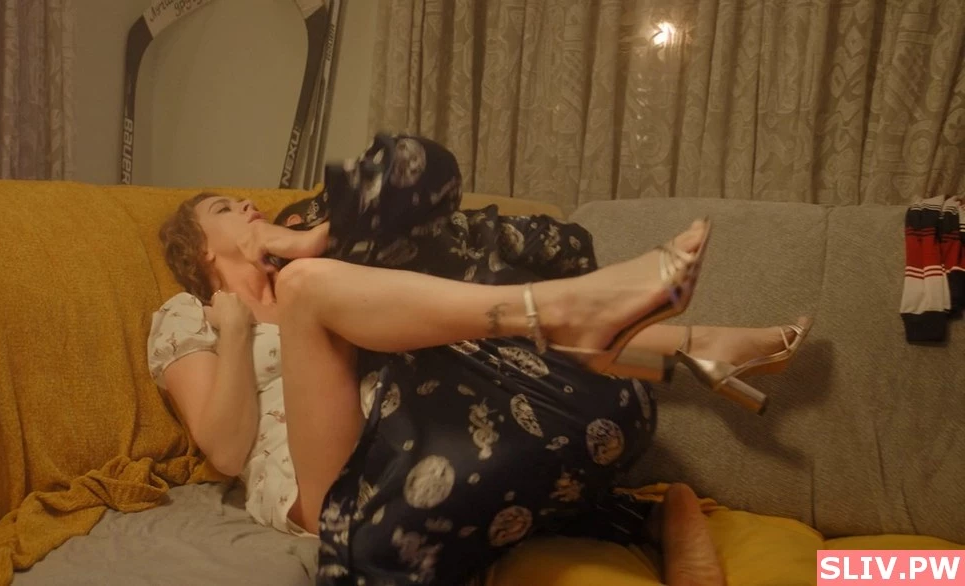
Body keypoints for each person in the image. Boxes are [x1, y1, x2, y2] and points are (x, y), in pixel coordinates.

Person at [147, 135, 810, 586]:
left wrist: (311, 237)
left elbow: (409, 177)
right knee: (308, 289)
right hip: (333, 490)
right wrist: (236, 332)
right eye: (225, 209)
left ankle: (671, 435)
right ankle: (678, 342)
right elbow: (225, 451)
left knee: (410, 253)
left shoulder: (320, 267)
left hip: (420, 434)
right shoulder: (189, 314)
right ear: (200, 249)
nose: (248, 206)